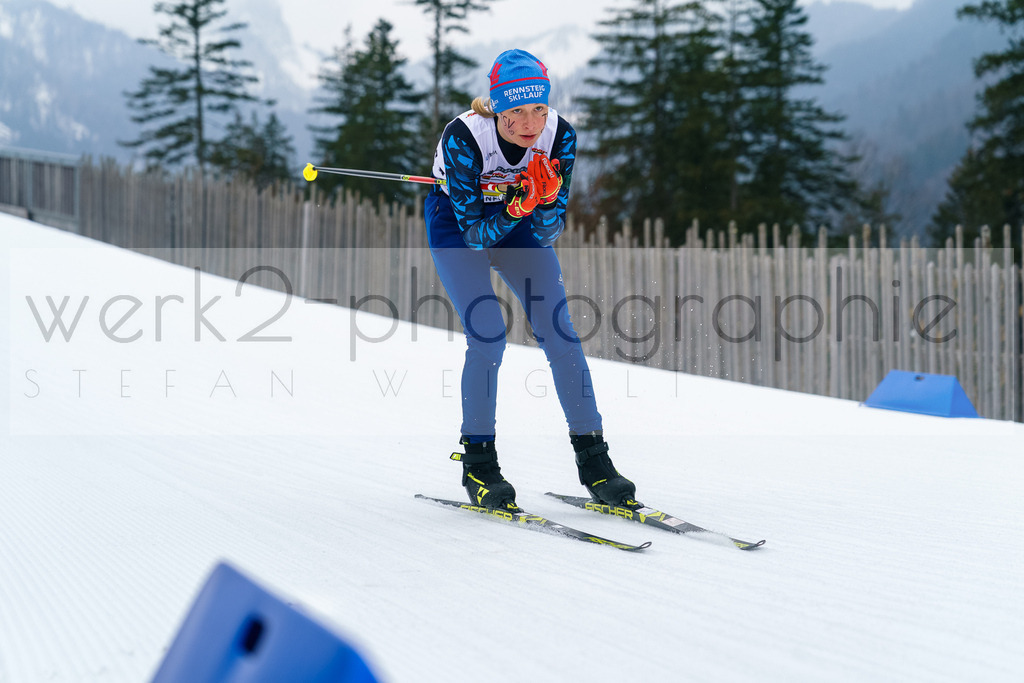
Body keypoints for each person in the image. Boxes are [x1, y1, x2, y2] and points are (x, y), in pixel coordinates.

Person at [424, 48, 640, 512]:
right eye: (517, 112)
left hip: (516, 220)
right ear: (497, 107)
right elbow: (477, 235)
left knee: (560, 333)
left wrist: (544, 200)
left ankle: (595, 461)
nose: (529, 123)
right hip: (460, 224)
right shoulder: (464, 137)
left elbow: (549, 231)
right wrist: (519, 205)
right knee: (488, 337)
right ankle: (479, 466)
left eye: (538, 109)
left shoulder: (560, 135)